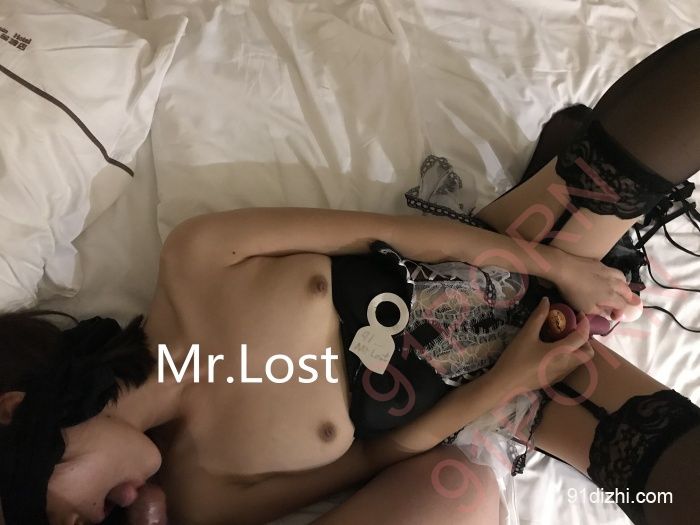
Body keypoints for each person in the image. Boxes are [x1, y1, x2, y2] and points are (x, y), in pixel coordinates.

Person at [1, 28, 699, 525]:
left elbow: (387, 234)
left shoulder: (196, 259)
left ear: (13, 412)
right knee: (673, 486)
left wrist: (558, 266)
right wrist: (504, 382)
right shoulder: (203, 496)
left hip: (501, 251)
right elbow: (380, 456)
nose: (76, 524)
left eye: (49, 512)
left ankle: (566, 183)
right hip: (525, 393)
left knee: (644, 138)